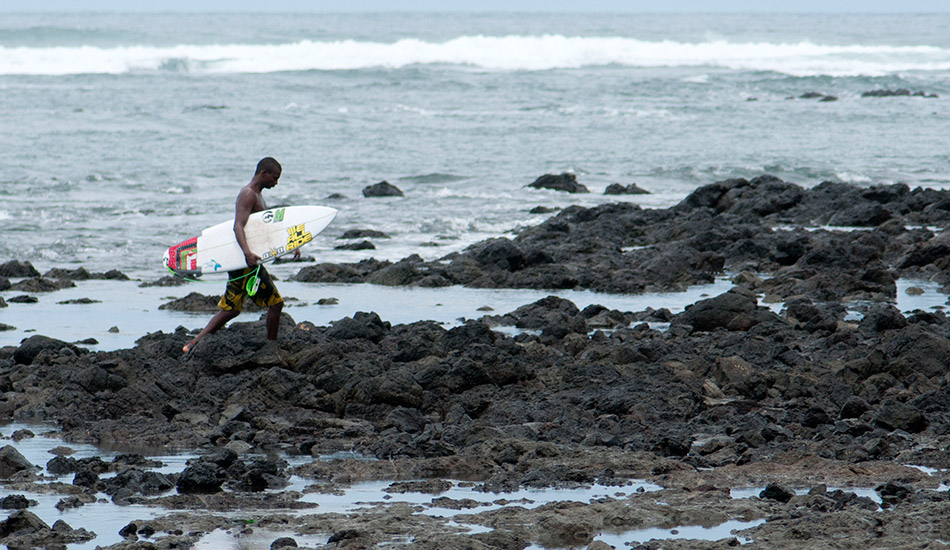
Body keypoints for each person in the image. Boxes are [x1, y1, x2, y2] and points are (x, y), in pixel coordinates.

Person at [182, 157, 291, 354]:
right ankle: (272, 347)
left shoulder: (257, 195)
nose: (276, 183)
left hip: (242, 261)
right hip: (245, 261)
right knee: (275, 304)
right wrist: (247, 254)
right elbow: (237, 225)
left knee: (231, 309)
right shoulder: (248, 194)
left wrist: (290, 244)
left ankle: (192, 344)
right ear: (263, 173)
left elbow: (259, 229)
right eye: (274, 178)